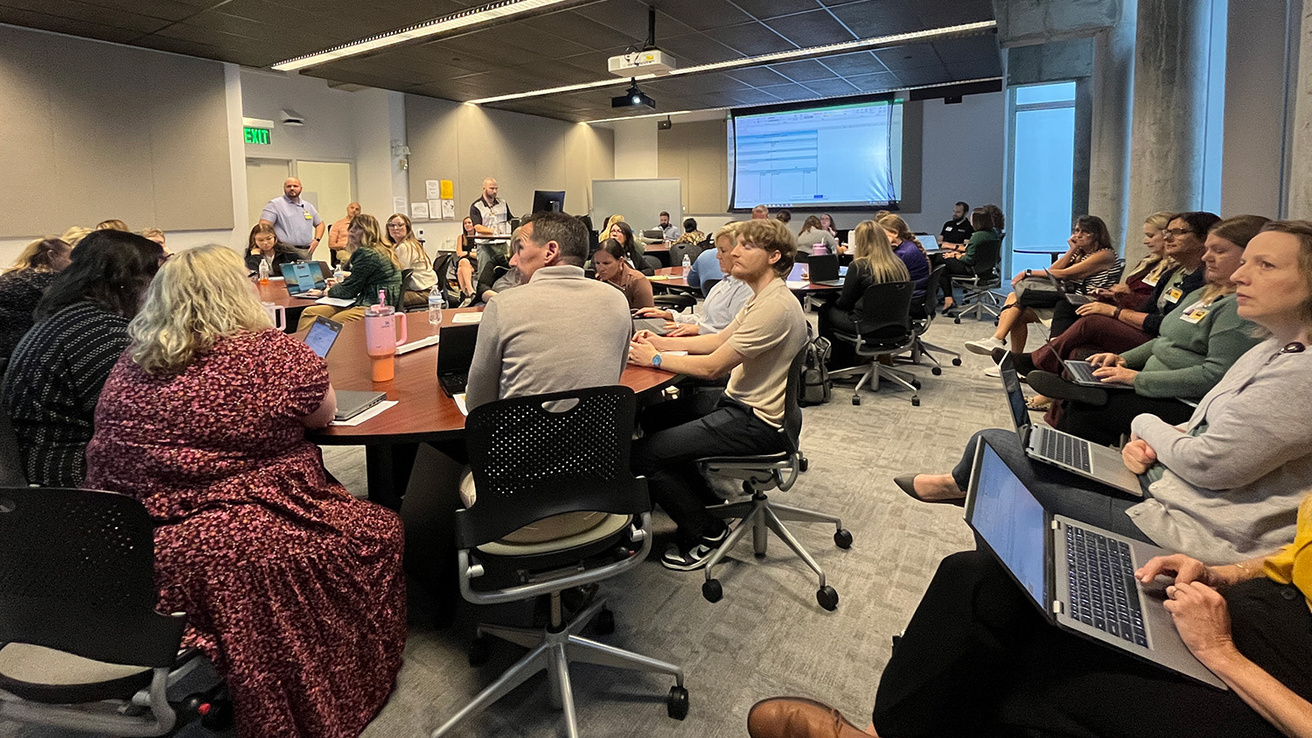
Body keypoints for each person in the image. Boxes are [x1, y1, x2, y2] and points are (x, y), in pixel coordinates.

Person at [84, 245, 405, 738]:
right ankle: (338, 672)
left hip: (125, 538)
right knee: (377, 531)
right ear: (238, 291)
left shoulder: (132, 361)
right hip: (229, 539)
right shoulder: (273, 355)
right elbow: (322, 416)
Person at [900, 220, 1312, 566]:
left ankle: (968, 490)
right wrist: (1133, 377)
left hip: (1180, 524)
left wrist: (1146, 426)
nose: (1240, 273)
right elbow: (1194, 402)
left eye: (1265, 265)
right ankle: (973, 490)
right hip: (1161, 481)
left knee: (997, 467)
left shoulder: (1299, 376)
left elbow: (1209, 463)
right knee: (996, 449)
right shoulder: (1271, 346)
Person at [747, 499, 1312, 738]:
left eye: (1266, 263)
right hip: (1259, 609)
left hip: (1276, 686)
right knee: (975, 575)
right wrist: (1221, 574)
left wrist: (1221, 654)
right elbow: (1294, 557)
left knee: (1030, 676)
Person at [628, 218, 808, 570]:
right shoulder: (764, 297)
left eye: (747, 246)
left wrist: (657, 358)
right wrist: (661, 340)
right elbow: (718, 339)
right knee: (653, 418)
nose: (734, 252)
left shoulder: (775, 306)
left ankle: (708, 531)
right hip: (745, 405)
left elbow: (714, 367)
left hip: (756, 421)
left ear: (774, 256)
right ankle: (704, 501)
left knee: (642, 456)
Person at [1023, 214, 1267, 434]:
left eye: (1219, 251)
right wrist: (1124, 360)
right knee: (1085, 368)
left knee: (1086, 406)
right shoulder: (1202, 293)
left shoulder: (1238, 308)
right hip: (1152, 375)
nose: (1207, 257)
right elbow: (1165, 337)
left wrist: (1134, 378)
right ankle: (1059, 402)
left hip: (1182, 399)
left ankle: (1070, 466)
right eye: (1208, 250)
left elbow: (1214, 376)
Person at [2, 230, 162, 487]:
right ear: (128, 281)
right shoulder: (102, 334)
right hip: (70, 480)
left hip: (41, 469)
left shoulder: (68, 318)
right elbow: (141, 421)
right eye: (154, 278)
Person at [1000, 211, 1216, 379]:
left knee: (1089, 321)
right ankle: (1034, 356)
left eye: (1177, 233)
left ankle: (1038, 360)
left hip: (1157, 334)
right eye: (1167, 233)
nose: (1168, 239)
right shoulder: (1173, 271)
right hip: (1138, 318)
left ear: (1203, 238)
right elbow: (1147, 306)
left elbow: (1062, 274)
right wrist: (1073, 251)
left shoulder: (1200, 280)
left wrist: (1114, 310)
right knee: (1029, 304)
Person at [466, 212, 629, 410]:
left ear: (550, 251)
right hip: (599, 438)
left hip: (521, 440)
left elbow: (477, 405)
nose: (512, 261)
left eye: (520, 249)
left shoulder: (502, 306)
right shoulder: (618, 300)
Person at [964, 214, 1119, 357]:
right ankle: (1011, 357)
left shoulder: (1105, 255)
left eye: (1085, 232)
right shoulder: (1080, 253)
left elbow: (1065, 274)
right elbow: (1053, 271)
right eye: (1077, 230)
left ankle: (997, 340)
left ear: (1096, 235)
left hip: (1086, 300)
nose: (1078, 235)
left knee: (1017, 297)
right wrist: (1071, 251)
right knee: (1017, 315)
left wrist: (1028, 272)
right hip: (1069, 298)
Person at [817, 221, 910, 368]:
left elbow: (845, 303)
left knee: (826, 310)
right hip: (896, 325)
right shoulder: (898, 264)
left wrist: (831, 297)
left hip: (865, 326)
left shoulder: (859, 266)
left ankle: (838, 364)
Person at [635, 223, 752, 336]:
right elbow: (705, 320)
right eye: (718, 250)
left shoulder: (746, 289)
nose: (717, 256)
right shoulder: (723, 283)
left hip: (711, 347)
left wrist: (698, 329)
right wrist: (670, 315)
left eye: (723, 251)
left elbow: (732, 336)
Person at [296, 214, 401, 330]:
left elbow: (350, 289)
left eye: (357, 228)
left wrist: (325, 292)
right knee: (311, 313)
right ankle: (302, 347)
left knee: (333, 323)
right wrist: (339, 286)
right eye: (351, 228)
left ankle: (305, 347)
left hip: (375, 304)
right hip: (362, 299)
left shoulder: (368, 254)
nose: (351, 231)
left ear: (368, 231)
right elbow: (354, 281)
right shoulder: (379, 249)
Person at [0, 237, 72, 363]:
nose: (73, 263)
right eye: (70, 258)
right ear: (52, 256)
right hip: (25, 351)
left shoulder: (10, 276)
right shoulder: (50, 281)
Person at [937, 206, 1002, 312]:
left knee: (941, 263)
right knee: (944, 265)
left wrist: (956, 256)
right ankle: (948, 299)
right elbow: (975, 253)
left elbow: (969, 259)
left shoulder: (977, 236)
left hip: (972, 270)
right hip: (986, 269)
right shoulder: (993, 233)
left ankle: (948, 298)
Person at [259, 177, 324, 259]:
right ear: (284, 188)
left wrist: (316, 240)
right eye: (289, 186)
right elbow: (264, 226)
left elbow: (320, 224)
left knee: (306, 272)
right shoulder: (275, 204)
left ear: (301, 188)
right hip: (284, 251)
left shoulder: (308, 206)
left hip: (306, 251)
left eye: (295, 186)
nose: (292, 188)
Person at [385, 213, 438, 309]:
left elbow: (398, 274)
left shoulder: (404, 247)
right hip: (426, 289)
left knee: (383, 299)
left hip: (424, 292)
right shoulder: (403, 245)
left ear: (408, 228)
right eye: (392, 225)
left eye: (400, 225)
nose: (395, 228)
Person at [876, 214, 931, 301]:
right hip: (918, 293)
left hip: (911, 297)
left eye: (882, 234)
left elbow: (887, 278)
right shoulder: (908, 245)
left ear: (895, 233)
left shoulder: (902, 253)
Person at [592, 238, 654, 310]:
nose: (601, 268)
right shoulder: (597, 280)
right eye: (597, 263)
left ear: (620, 261)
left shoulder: (638, 281)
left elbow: (648, 316)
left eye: (606, 263)